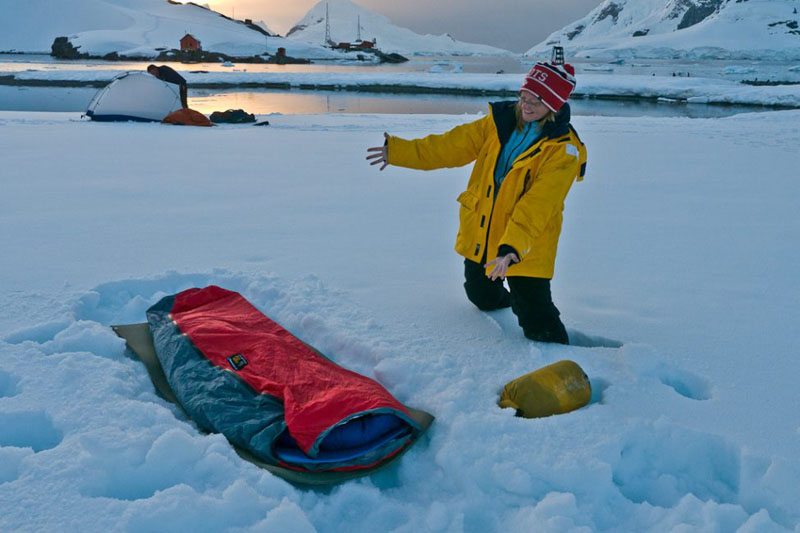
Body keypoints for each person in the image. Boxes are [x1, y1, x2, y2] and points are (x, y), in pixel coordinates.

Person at [366, 62, 586, 344]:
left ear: (554, 105)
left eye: (537, 101)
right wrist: (399, 152)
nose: (527, 106)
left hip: (526, 242)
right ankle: (504, 299)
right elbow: (448, 146)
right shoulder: (498, 123)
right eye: (524, 97)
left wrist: (512, 248)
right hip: (484, 230)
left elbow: (538, 204)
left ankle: (560, 362)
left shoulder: (563, 150)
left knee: (535, 315)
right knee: (480, 295)